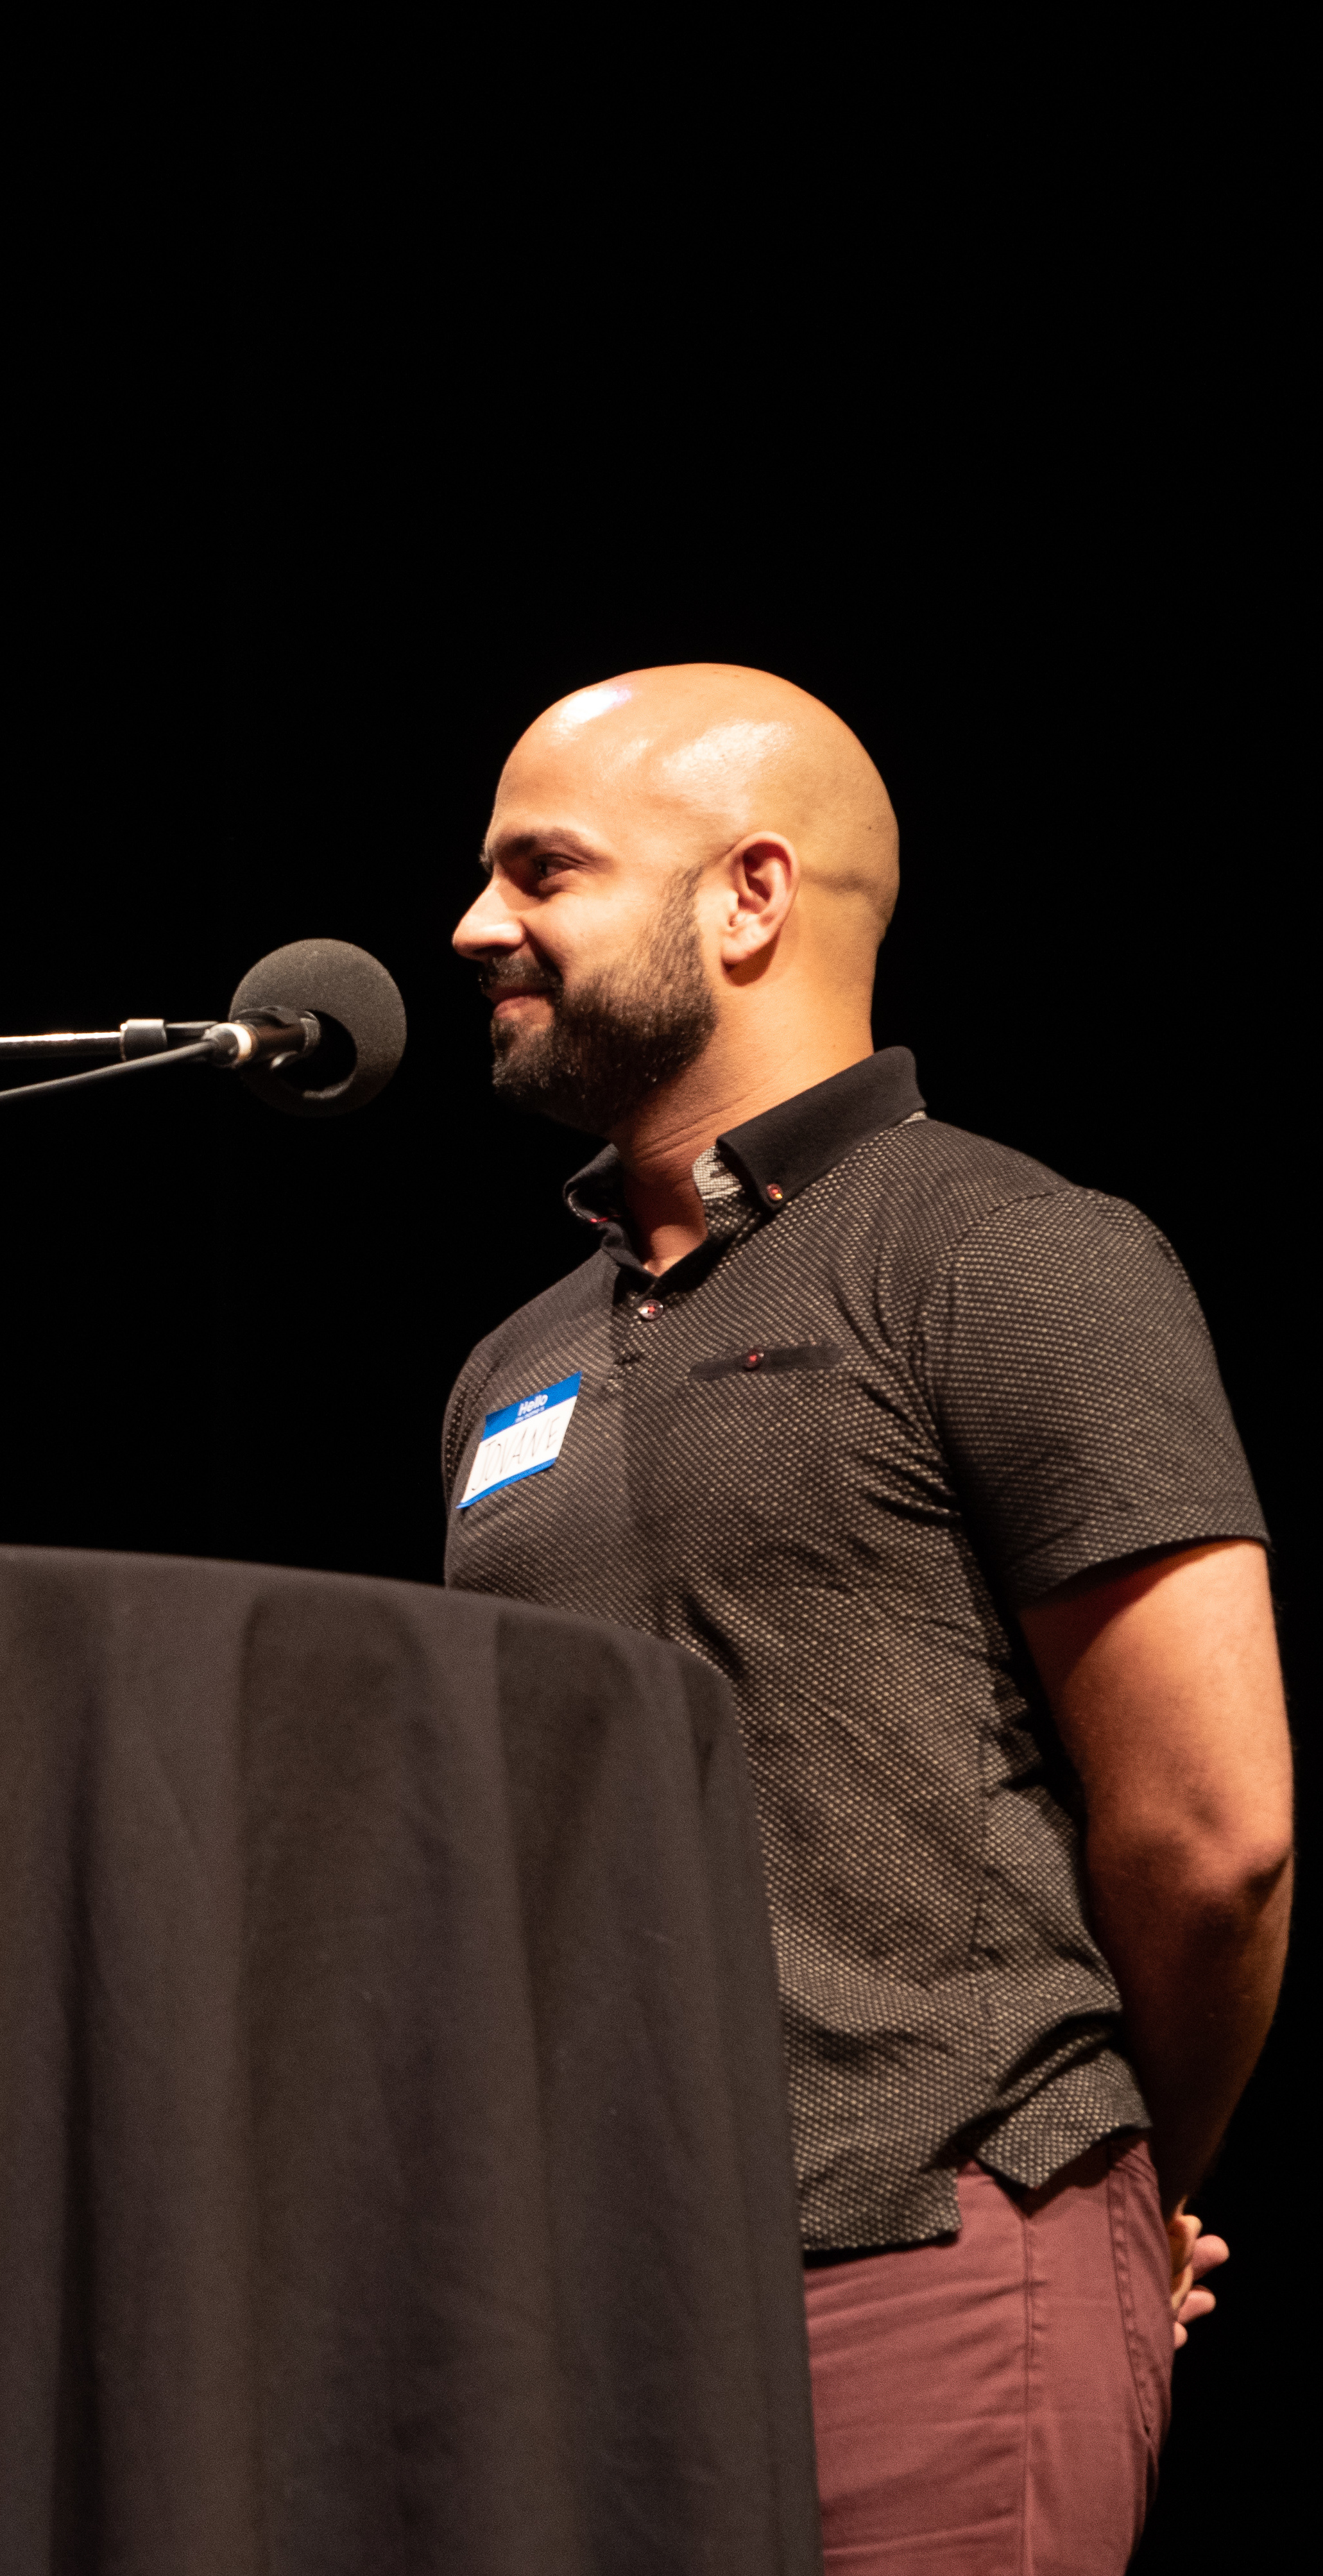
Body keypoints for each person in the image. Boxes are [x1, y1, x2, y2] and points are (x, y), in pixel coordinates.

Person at [439, 666, 1290, 2573]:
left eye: (540, 870)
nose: (473, 926)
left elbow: (1213, 1833)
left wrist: (1124, 2172)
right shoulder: (513, 1364)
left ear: (747, 898)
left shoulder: (1004, 1253)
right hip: (571, 2307)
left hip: (923, 2252)